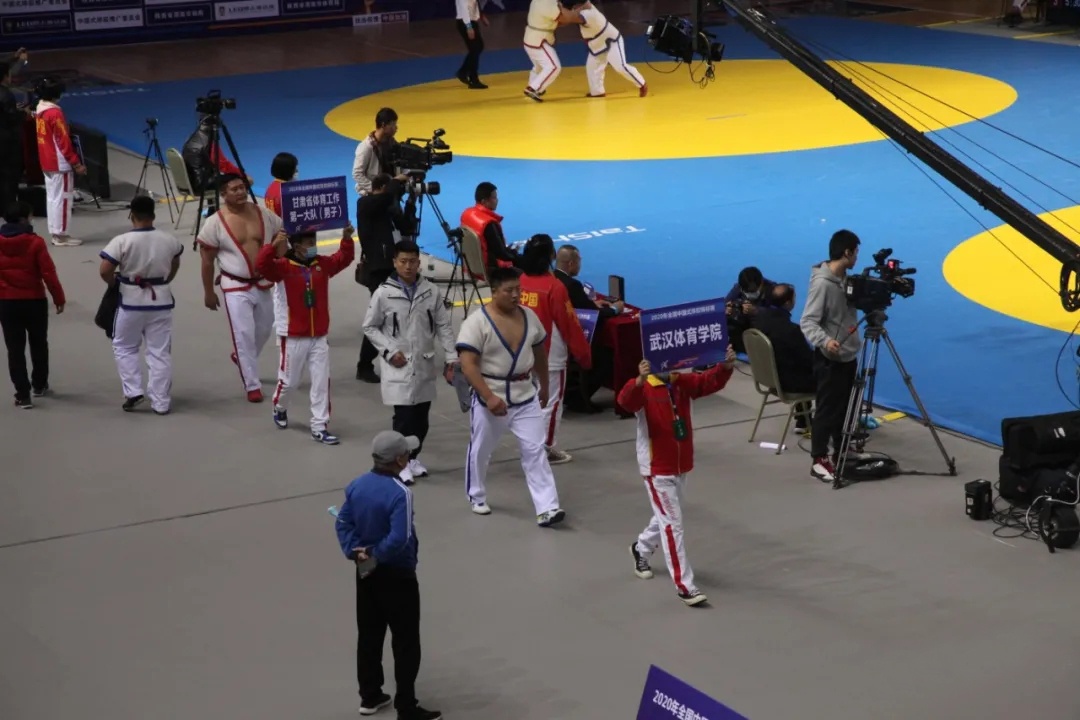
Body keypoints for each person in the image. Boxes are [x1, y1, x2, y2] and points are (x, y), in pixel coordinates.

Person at [335, 430, 442, 720]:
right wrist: (375, 553)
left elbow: (343, 522)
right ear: (400, 460)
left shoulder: (356, 485)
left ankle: (370, 696)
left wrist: (356, 552)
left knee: (369, 635)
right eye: (407, 452)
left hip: (365, 572)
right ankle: (406, 707)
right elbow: (400, 538)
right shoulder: (400, 493)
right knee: (406, 641)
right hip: (397, 574)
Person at [620, 350, 735, 607]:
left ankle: (641, 547)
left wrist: (725, 367)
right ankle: (685, 586)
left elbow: (707, 382)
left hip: (681, 465)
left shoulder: (681, 382)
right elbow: (626, 401)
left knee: (667, 517)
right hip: (657, 468)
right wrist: (638, 380)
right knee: (673, 525)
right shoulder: (643, 387)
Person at [456, 266, 565, 526]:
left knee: (535, 450)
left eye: (518, 289)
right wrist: (488, 397)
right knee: (481, 449)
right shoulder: (476, 323)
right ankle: (476, 495)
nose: (516, 295)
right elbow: (468, 365)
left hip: (525, 394)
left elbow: (539, 353)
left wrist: (544, 386)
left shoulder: (529, 317)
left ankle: (547, 507)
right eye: (509, 290)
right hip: (490, 396)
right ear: (494, 291)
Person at [363, 241, 457, 483]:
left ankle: (413, 458)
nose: (408, 266)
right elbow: (370, 327)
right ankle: (400, 463)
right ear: (394, 262)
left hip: (424, 365)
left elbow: (443, 325)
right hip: (399, 365)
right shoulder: (384, 293)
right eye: (403, 261)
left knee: (421, 418)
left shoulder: (430, 291)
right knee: (404, 418)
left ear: (419, 262)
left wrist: (451, 356)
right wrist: (389, 351)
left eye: (412, 261)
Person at [256, 224, 356, 445]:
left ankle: (319, 426)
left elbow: (343, 259)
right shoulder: (282, 267)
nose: (314, 246)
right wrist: (272, 246)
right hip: (293, 336)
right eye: (310, 243)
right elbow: (262, 265)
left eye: (315, 242)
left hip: (319, 335)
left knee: (321, 383)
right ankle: (279, 406)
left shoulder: (321, 264)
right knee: (289, 382)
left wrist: (347, 239)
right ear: (297, 246)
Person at [197, 173, 284, 403]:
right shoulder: (214, 222)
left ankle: (242, 356)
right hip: (234, 283)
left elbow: (281, 236)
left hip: (263, 281)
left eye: (242, 187)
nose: (240, 192)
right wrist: (208, 292)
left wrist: (281, 263)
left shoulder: (264, 214)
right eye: (234, 189)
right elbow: (207, 261)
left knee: (264, 329)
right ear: (223, 194)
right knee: (243, 334)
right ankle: (252, 384)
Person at [98, 196, 185, 415]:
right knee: (159, 351)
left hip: (130, 301)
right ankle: (161, 401)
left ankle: (133, 391)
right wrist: (164, 280)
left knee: (124, 346)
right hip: (161, 301)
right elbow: (175, 263)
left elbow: (105, 269)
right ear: (154, 215)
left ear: (132, 215)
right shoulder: (169, 240)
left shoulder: (121, 241)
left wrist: (114, 284)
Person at [517, 234, 591, 463]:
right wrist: (584, 354)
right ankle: (545, 448)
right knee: (551, 402)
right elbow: (569, 324)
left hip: (522, 351)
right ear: (550, 256)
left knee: (531, 401)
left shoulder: (521, 281)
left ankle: (531, 444)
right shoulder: (554, 287)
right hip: (550, 354)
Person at [800, 229, 862, 483]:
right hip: (830, 358)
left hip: (848, 354)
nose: (857, 257)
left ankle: (841, 449)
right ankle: (818, 459)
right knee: (827, 410)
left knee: (846, 407)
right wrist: (826, 341)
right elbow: (807, 321)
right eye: (856, 253)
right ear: (847, 252)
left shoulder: (847, 280)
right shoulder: (823, 284)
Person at [0, 200, 64, 408]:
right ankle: (39, 384)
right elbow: (48, 273)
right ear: (23, 219)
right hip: (34, 300)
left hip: (7, 302)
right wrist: (58, 298)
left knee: (14, 349)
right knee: (39, 343)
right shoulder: (36, 242)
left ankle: (22, 394)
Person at [356, 173, 411, 383]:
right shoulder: (366, 203)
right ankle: (364, 365)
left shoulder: (388, 205)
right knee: (378, 318)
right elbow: (384, 198)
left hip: (394, 266)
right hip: (378, 269)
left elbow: (407, 227)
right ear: (380, 188)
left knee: (396, 314)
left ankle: (392, 356)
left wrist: (410, 203)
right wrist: (396, 183)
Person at [751, 282, 815, 433]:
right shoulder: (791, 331)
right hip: (789, 383)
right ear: (788, 303)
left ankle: (803, 420)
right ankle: (838, 427)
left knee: (795, 364)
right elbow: (809, 360)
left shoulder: (758, 321)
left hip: (769, 377)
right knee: (836, 375)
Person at [33, 77, 86, 247]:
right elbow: (63, 141)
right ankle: (61, 235)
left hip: (46, 160)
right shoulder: (54, 113)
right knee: (62, 199)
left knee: (53, 198)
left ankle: (55, 232)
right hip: (59, 163)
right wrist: (76, 163)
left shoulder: (40, 109)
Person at [563, 0, 647, 98]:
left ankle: (642, 83)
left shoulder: (589, 14)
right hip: (596, 44)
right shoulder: (581, 10)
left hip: (611, 41)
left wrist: (555, 12)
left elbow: (568, 18)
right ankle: (597, 92)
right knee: (592, 68)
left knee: (620, 66)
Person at [522, 0, 576, 101]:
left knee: (539, 67)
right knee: (554, 67)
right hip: (538, 40)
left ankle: (533, 85)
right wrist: (576, 14)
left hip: (531, 38)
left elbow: (557, 21)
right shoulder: (546, 2)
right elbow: (564, 18)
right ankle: (533, 88)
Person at [459, 181, 518, 274]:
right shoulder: (489, 224)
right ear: (484, 201)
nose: (497, 200)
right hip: (490, 269)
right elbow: (502, 255)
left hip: (471, 267)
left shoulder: (466, 214)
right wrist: (517, 255)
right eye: (494, 198)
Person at [725, 266, 777, 354]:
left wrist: (756, 310)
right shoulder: (739, 287)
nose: (749, 294)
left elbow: (778, 314)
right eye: (746, 291)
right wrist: (728, 309)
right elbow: (726, 303)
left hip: (764, 327)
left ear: (761, 283)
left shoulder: (773, 290)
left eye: (752, 291)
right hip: (743, 326)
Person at [352, 107, 400, 197]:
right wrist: (375, 190)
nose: (396, 128)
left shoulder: (391, 143)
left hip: (388, 192)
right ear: (383, 125)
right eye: (393, 124)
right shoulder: (366, 147)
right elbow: (357, 174)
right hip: (371, 195)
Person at [0, 59, 27, 214]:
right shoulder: (7, 95)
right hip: (6, 143)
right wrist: (22, 113)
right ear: (5, 76)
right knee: (9, 177)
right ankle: (8, 209)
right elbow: (11, 119)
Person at [455, 0, 489, 89]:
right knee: (475, 48)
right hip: (465, 22)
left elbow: (475, 3)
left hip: (472, 21)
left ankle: (463, 72)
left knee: (478, 47)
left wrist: (481, 15)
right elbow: (464, 9)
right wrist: (469, 27)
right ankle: (473, 79)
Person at [263, 151, 297, 217]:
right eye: (295, 169)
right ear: (289, 171)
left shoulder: (270, 187)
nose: (296, 171)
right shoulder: (288, 193)